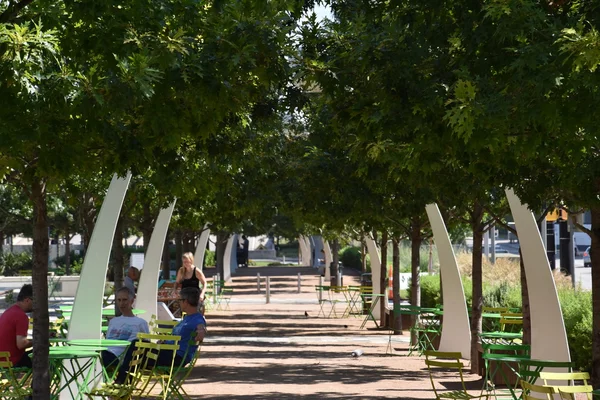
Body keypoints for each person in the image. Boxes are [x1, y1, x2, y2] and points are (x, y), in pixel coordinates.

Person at [115, 287, 207, 383]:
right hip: (169, 353)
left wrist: (201, 331)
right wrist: (165, 341)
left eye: (180, 300)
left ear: (186, 302)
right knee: (137, 349)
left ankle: (122, 382)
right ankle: (124, 383)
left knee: (136, 347)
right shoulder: (187, 318)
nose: (178, 303)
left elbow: (201, 327)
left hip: (176, 358)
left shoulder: (197, 319)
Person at [101, 286, 149, 368]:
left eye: (124, 300)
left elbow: (146, 344)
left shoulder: (140, 323)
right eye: (119, 300)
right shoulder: (113, 321)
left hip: (122, 359)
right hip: (107, 353)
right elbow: (107, 341)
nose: (121, 303)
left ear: (131, 301)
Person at [0, 284, 33, 367]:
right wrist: (38, 341)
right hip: (11, 361)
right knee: (46, 352)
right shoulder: (21, 316)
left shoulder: (9, 312)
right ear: (27, 300)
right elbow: (21, 344)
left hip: (3, 358)